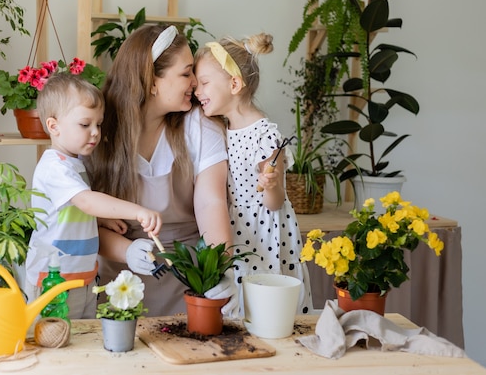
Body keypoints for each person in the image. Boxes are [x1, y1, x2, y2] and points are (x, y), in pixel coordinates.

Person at [86, 25, 237, 317]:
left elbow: (211, 203)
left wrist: (220, 269)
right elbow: (82, 217)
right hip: (121, 285)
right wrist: (127, 251)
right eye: (186, 73)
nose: (196, 82)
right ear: (151, 80)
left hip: (191, 284)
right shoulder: (98, 133)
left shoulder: (198, 127)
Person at [25, 71, 163, 320]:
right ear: (53, 126)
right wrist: (137, 211)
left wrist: (100, 221)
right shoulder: (54, 167)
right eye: (85, 124)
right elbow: (87, 201)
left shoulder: (73, 164)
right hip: (53, 281)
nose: (95, 132)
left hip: (81, 277)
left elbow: (71, 209)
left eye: (98, 124)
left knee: (82, 340)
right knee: (53, 343)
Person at [193, 33, 313, 315]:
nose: (197, 91)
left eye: (205, 83)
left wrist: (271, 185)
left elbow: (274, 203)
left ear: (234, 84)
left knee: (266, 305)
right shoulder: (220, 128)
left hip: (264, 233)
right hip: (236, 226)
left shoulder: (266, 136)